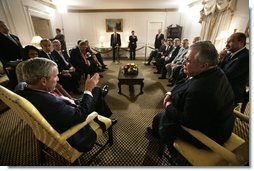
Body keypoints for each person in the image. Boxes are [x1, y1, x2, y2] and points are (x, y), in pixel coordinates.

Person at [147, 41, 235, 149]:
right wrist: (170, 92)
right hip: (219, 123)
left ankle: (160, 138)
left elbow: (189, 121)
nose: (183, 62)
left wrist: (168, 105)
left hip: (207, 137)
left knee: (159, 117)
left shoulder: (202, 89)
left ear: (203, 65)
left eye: (188, 60)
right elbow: (185, 81)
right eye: (185, 58)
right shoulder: (214, 71)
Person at [17, 57, 116, 152]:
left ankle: (101, 101)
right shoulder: (51, 104)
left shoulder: (23, 88)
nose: (58, 79)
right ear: (43, 81)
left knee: (96, 92)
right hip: (75, 132)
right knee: (95, 90)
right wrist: (87, 89)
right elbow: (80, 115)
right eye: (55, 76)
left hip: (64, 111)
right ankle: (105, 115)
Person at [218, 32, 249, 105]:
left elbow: (227, 75)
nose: (226, 45)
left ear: (241, 42)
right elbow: (218, 67)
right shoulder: (228, 54)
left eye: (230, 42)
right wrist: (220, 58)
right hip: (221, 92)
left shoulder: (247, 57)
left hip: (231, 96)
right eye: (226, 42)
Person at [0, 20, 24, 89]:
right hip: (11, 67)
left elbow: (21, 49)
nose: (4, 27)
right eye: (1, 26)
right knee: (17, 85)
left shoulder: (15, 37)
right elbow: (1, 56)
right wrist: (9, 64)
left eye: (4, 25)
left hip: (22, 63)